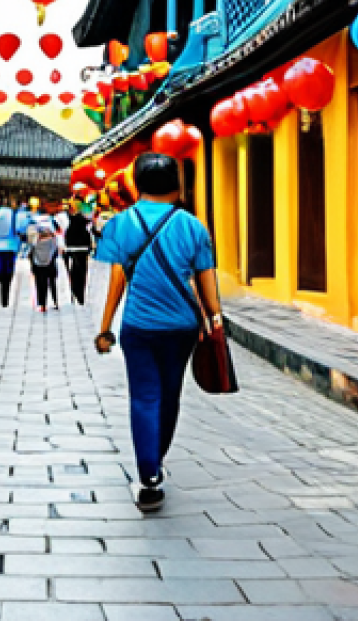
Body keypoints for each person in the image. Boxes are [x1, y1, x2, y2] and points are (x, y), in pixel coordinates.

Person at [94, 153, 222, 513]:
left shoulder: (119, 225)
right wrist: (215, 317)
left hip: (138, 326)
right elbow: (207, 283)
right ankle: (155, 460)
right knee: (169, 395)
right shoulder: (193, 226)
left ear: (137, 184)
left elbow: (117, 280)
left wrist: (105, 328)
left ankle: (149, 475)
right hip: (182, 327)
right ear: (177, 186)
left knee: (144, 397)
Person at [0, 197, 21, 308]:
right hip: (10, 247)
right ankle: (5, 301)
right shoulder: (14, 214)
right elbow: (20, 229)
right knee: (7, 276)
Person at [64, 202, 94, 306]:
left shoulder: (70, 226)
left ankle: (74, 291)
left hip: (73, 251)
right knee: (82, 272)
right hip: (83, 251)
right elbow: (88, 239)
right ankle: (81, 294)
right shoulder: (84, 227)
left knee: (74, 272)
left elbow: (67, 240)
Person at [29, 216, 60, 312]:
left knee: (40, 284)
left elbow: (30, 252)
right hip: (50, 265)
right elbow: (55, 252)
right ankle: (55, 301)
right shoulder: (53, 240)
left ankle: (42, 305)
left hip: (38, 265)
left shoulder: (35, 241)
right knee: (52, 283)